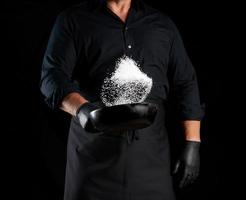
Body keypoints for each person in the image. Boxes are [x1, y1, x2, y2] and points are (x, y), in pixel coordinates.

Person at [40, 0, 205, 199]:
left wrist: (192, 142)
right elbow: (52, 77)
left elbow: (186, 82)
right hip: (92, 154)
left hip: (151, 156)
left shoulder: (162, 24)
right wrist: (82, 110)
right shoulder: (72, 20)